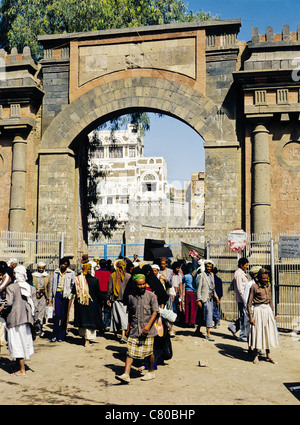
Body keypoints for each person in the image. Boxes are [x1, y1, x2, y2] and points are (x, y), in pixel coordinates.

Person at [115, 274, 159, 384]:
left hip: (147, 330)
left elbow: (155, 312)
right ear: (135, 285)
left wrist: (148, 326)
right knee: (130, 351)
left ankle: (151, 371)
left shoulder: (151, 296)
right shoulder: (131, 297)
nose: (142, 286)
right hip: (135, 329)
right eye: (139, 284)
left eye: (143, 284)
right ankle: (126, 374)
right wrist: (128, 327)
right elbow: (130, 313)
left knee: (149, 353)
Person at [0, 265, 36, 376]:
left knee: (16, 344)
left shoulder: (12, 287)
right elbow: (35, 303)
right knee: (23, 342)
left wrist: (2, 309)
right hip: (27, 319)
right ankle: (17, 366)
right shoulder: (30, 287)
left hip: (15, 319)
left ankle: (22, 370)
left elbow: (9, 303)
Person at [247, 268, 279, 364]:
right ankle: (256, 355)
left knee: (268, 332)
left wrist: (273, 313)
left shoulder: (268, 286)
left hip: (267, 311)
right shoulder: (254, 287)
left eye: (266, 278)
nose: (265, 280)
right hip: (258, 311)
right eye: (263, 278)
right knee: (257, 332)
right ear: (259, 278)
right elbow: (249, 303)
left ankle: (268, 355)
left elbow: (270, 301)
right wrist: (251, 317)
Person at [72, 262, 102, 347]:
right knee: (89, 322)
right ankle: (87, 342)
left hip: (80, 304)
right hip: (91, 304)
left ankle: (84, 338)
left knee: (83, 321)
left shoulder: (78, 279)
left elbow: (74, 291)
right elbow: (98, 293)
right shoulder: (95, 280)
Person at [48, 257, 76, 342]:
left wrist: (69, 295)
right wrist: (50, 298)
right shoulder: (56, 272)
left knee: (64, 316)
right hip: (57, 295)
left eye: (65, 264)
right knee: (57, 315)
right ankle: (54, 334)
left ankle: (62, 335)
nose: (63, 266)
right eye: (62, 264)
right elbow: (53, 285)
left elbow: (73, 285)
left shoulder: (71, 273)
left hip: (66, 296)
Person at [107, 259, 131, 343]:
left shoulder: (112, 275)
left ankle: (121, 334)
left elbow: (109, 288)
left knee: (116, 316)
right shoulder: (128, 276)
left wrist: (108, 298)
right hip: (125, 300)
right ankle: (123, 334)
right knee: (124, 316)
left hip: (116, 298)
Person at [228, 257, 249, 342]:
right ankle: (243, 335)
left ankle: (233, 327)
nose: (247, 267)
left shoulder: (242, 273)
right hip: (242, 299)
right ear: (241, 265)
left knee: (244, 316)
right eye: (246, 265)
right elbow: (240, 288)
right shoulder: (238, 273)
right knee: (243, 317)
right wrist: (244, 299)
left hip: (244, 298)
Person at [196, 260, 218, 341]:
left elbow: (212, 287)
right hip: (204, 298)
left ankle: (197, 329)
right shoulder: (201, 275)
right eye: (207, 267)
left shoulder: (212, 275)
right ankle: (208, 334)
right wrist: (198, 299)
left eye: (210, 267)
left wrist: (216, 297)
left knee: (203, 314)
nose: (209, 268)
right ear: (205, 267)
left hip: (211, 297)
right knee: (208, 315)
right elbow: (198, 288)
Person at [32, 262, 51, 337]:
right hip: (35, 296)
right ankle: (35, 328)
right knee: (35, 311)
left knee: (41, 312)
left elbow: (49, 287)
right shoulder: (34, 275)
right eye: (39, 268)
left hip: (43, 296)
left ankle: (40, 328)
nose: (41, 269)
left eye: (42, 268)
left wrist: (49, 298)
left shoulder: (47, 276)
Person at [243, 265, 261, 340]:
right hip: (251, 309)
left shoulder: (260, 284)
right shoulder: (249, 285)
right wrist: (250, 311)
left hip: (258, 309)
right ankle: (250, 348)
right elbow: (245, 299)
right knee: (250, 330)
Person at [94, 259, 111, 330]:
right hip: (106, 292)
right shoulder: (109, 273)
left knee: (99, 308)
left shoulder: (96, 272)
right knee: (107, 308)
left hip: (98, 292)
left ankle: (99, 323)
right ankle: (106, 323)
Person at [181, 263, 198, 328]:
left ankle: (187, 321)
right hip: (195, 293)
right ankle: (193, 321)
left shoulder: (186, 276)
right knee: (194, 308)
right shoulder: (197, 276)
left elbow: (182, 282)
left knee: (188, 307)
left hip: (188, 292)